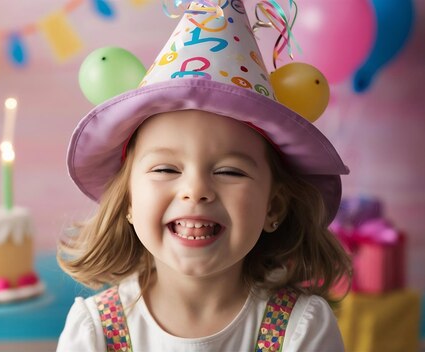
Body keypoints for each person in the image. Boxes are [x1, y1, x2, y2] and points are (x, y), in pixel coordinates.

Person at [57, 2, 351, 351]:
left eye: (229, 171)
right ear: (128, 201)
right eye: (166, 169)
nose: (195, 190)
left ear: (273, 207)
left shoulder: (300, 329)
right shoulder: (96, 332)